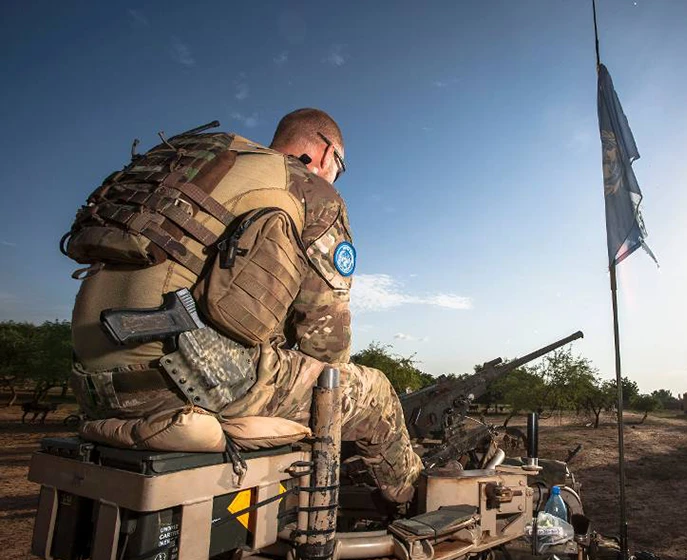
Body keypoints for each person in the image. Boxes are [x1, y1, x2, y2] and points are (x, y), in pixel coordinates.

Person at [66, 109, 422, 503]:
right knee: (374, 393)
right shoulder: (313, 192)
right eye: (341, 165)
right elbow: (326, 344)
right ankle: (407, 501)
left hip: (95, 383)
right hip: (185, 383)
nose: (337, 175)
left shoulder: (209, 163)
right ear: (326, 153)